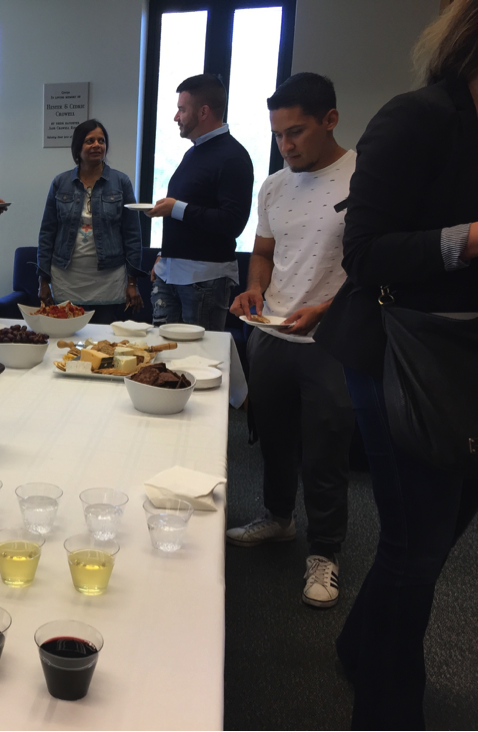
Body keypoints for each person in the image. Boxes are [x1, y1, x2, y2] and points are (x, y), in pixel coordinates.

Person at [314, 0, 478, 726]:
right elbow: (364, 254)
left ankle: (357, 645)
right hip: (397, 352)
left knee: (434, 533)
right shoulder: (415, 119)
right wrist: (466, 240)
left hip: (465, 360)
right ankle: (387, 711)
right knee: (415, 546)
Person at [226, 73, 355, 608]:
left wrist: (327, 308)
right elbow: (262, 252)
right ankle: (278, 518)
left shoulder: (362, 179)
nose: (287, 145)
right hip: (271, 332)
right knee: (273, 438)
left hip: (333, 338)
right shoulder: (275, 185)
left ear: (330, 120)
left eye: (297, 132)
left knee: (324, 452)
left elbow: (374, 267)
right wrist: (254, 288)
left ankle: (324, 552)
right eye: (279, 135)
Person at [145, 74, 253, 330]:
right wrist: (165, 255)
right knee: (162, 357)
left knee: (198, 361)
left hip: (204, 279)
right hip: (170, 273)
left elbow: (232, 222)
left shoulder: (233, 157)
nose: (176, 117)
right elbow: (190, 215)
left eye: (182, 109)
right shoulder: (192, 152)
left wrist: (176, 208)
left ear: (203, 111)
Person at [36, 119, 145, 323]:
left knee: (102, 340)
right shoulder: (60, 183)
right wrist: (43, 281)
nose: (97, 145)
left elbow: (132, 235)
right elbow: (47, 233)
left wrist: (132, 282)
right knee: (66, 340)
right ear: (78, 148)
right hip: (66, 278)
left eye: (101, 141)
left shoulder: (121, 182)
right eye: (89, 141)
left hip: (109, 279)